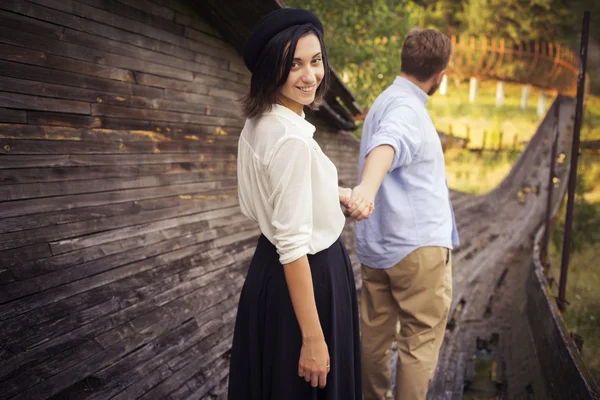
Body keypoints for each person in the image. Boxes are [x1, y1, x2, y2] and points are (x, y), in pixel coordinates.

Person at [227, 8, 368, 400]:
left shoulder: (260, 120)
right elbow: (291, 246)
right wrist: (313, 339)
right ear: (273, 68)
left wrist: (334, 193)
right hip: (307, 278)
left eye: (316, 60)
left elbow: (276, 197)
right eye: (295, 65)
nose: (311, 76)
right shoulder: (290, 138)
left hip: (268, 271)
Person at [345, 28, 460, 400]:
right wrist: (365, 188)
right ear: (440, 74)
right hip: (418, 250)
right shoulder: (407, 110)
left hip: (380, 249)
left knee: (374, 339)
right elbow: (388, 143)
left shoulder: (385, 101)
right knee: (419, 343)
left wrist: (366, 190)